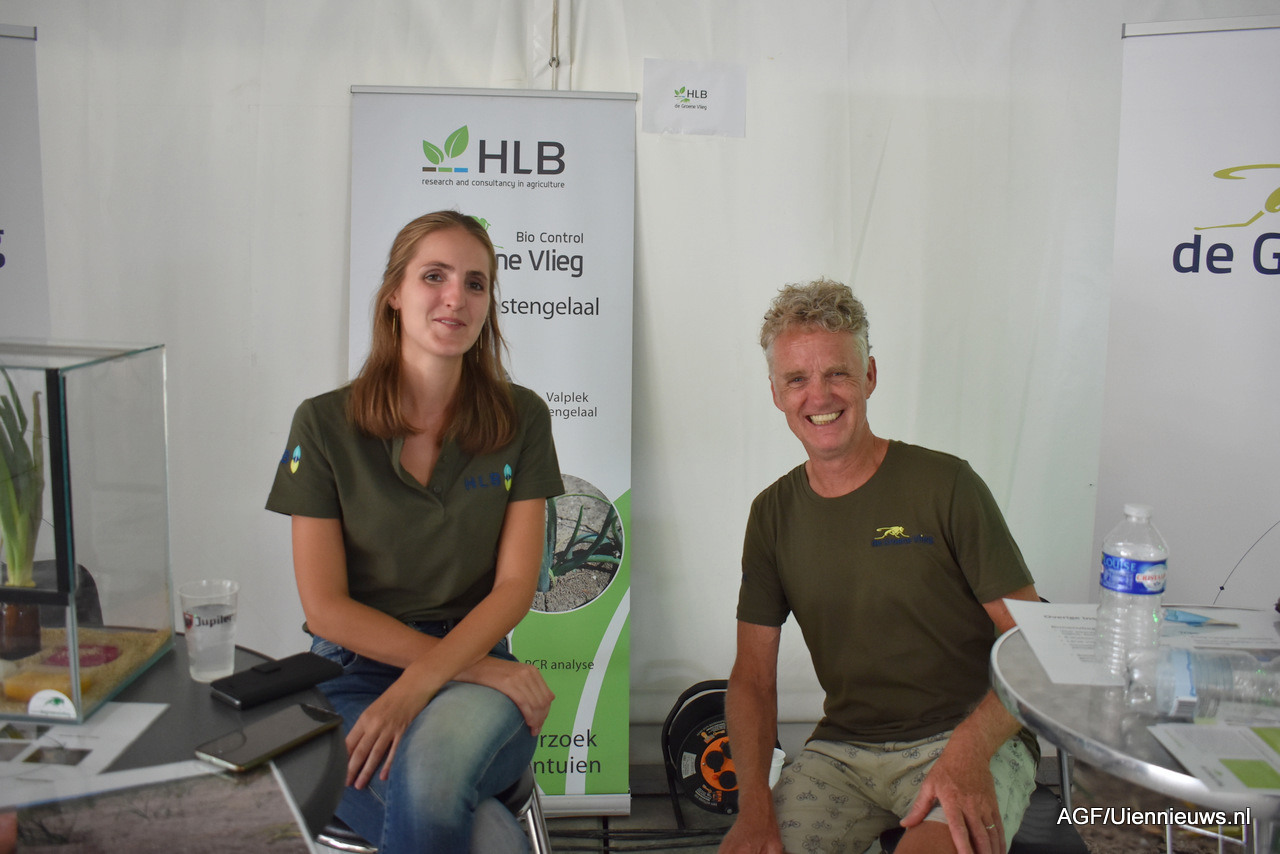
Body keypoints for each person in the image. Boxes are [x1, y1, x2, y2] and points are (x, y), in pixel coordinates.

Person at [266, 211, 563, 853]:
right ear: (394, 294)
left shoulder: (522, 417)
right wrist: (448, 671)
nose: (457, 296)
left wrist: (420, 685)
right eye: (435, 276)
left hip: (478, 671)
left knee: (432, 778)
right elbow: (325, 606)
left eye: (476, 283)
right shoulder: (322, 424)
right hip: (351, 677)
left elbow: (515, 586)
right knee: (486, 836)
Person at [718, 279, 1040, 854]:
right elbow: (752, 679)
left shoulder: (946, 484)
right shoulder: (771, 513)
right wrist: (754, 804)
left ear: (869, 375)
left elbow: (1033, 643)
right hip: (842, 752)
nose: (819, 396)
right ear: (776, 393)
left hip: (967, 737)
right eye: (797, 379)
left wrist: (969, 751)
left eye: (837, 373)